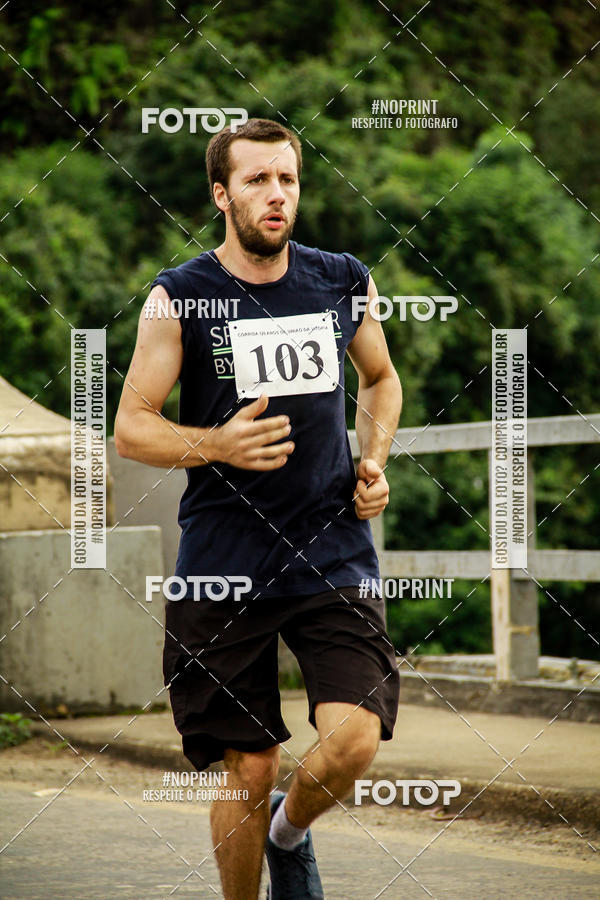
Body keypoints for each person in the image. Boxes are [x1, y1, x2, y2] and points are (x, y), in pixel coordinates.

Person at [114, 118, 402, 900]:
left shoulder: (342, 278)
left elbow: (379, 380)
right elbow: (132, 427)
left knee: (352, 743)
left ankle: (290, 834)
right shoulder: (180, 296)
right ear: (221, 194)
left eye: (288, 180)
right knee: (250, 764)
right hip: (225, 561)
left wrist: (372, 459)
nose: (276, 196)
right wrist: (219, 445)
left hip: (331, 550)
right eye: (256, 181)